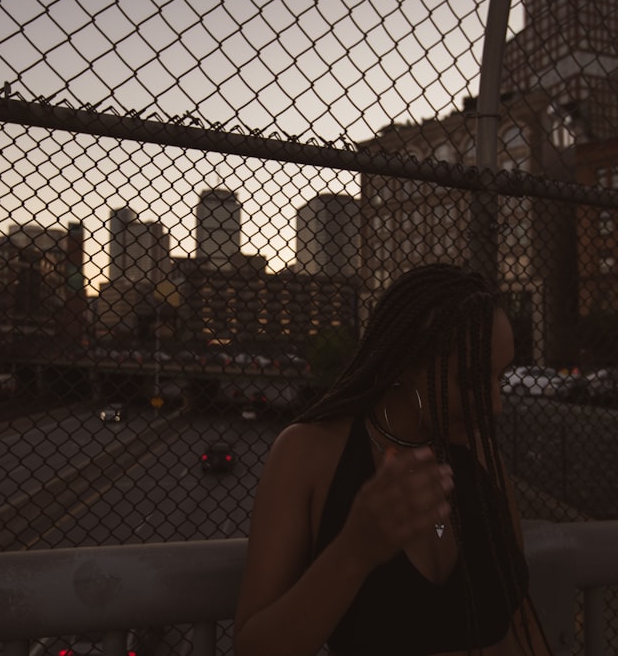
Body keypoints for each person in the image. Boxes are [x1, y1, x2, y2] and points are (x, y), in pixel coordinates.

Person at [234, 263, 552, 656]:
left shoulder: (481, 454)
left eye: (499, 378)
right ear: (404, 364)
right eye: (471, 380)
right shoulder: (309, 453)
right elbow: (255, 647)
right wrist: (354, 551)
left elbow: (521, 623)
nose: (496, 406)